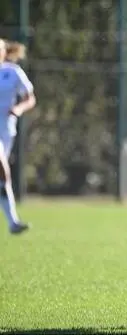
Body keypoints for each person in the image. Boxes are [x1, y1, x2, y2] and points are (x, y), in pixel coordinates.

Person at [0, 39, 35, 235]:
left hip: (6, 130)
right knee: (1, 165)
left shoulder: (12, 72)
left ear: (4, 52)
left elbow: (30, 97)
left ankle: (13, 223)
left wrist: (19, 108)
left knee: (1, 176)